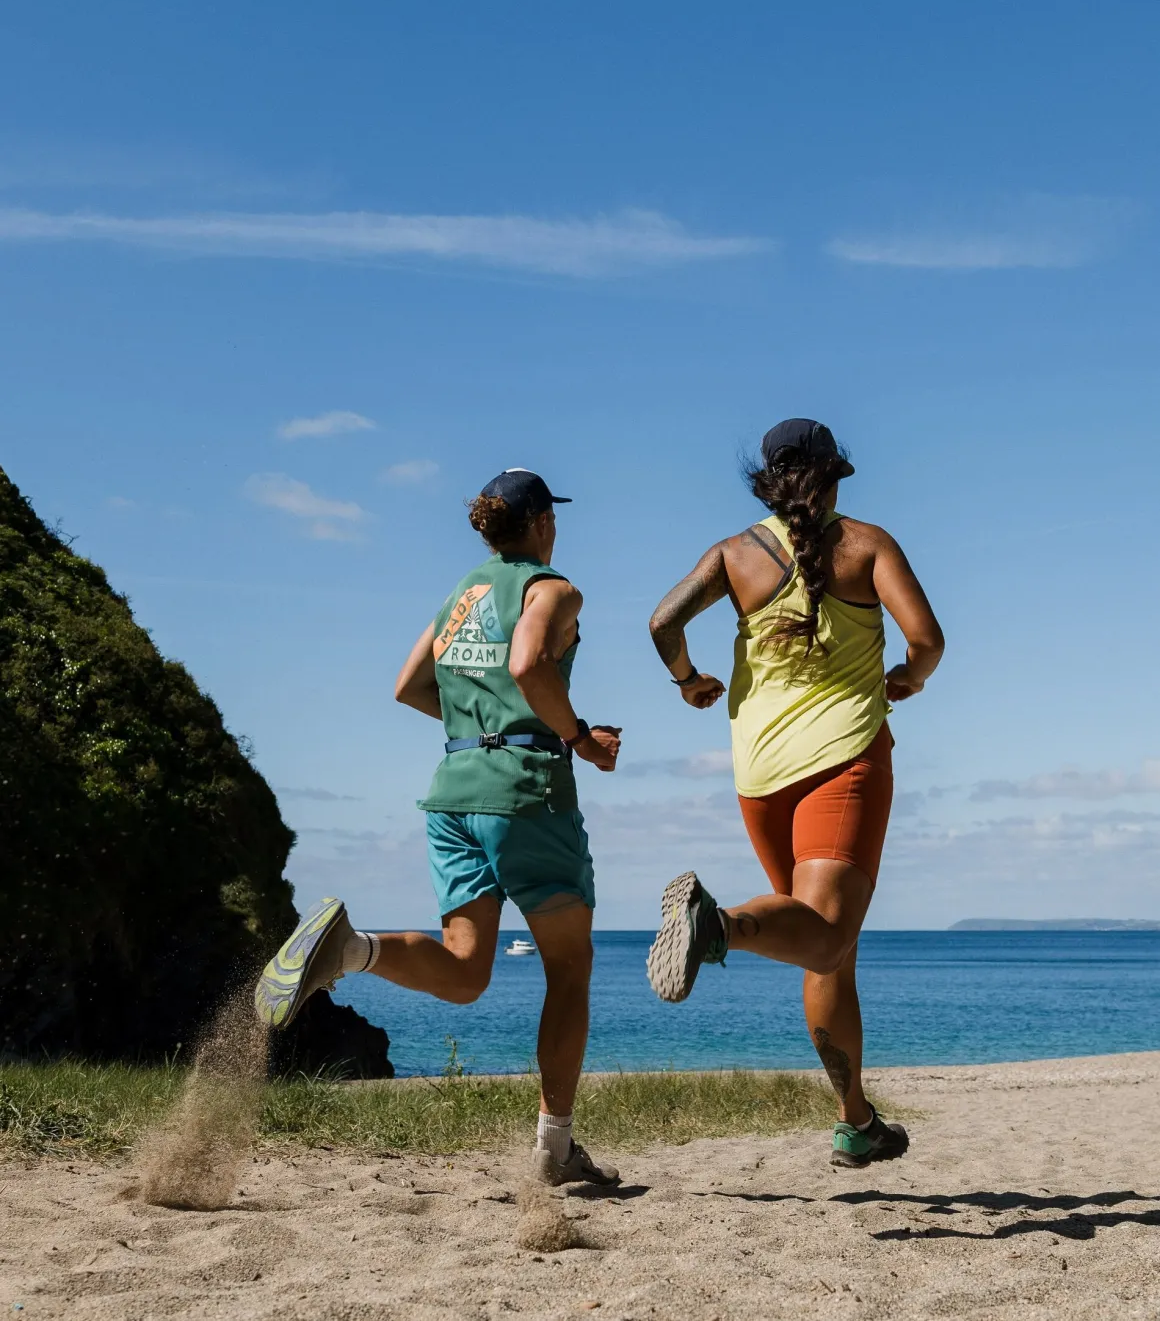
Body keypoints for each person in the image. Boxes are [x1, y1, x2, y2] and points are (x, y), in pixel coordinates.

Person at [254, 468, 623, 1186]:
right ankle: (554, 1149)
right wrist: (576, 737)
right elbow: (529, 662)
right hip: (527, 794)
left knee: (464, 972)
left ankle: (350, 951)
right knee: (570, 967)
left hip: (452, 794)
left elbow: (408, 687)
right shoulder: (552, 588)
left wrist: (476, 726)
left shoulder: (461, 595)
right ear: (543, 520)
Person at [644, 420, 944, 1168]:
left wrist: (689, 680)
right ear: (834, 477)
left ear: (771, 483)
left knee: (820, 949)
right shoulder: (868, 545)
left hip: (759, 777)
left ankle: (855, 1122)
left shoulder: (733, 554)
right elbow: (929, 640)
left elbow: (662, 620)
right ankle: (716, 926)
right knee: (829, 935)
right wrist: (908, 678)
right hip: (843, 762)